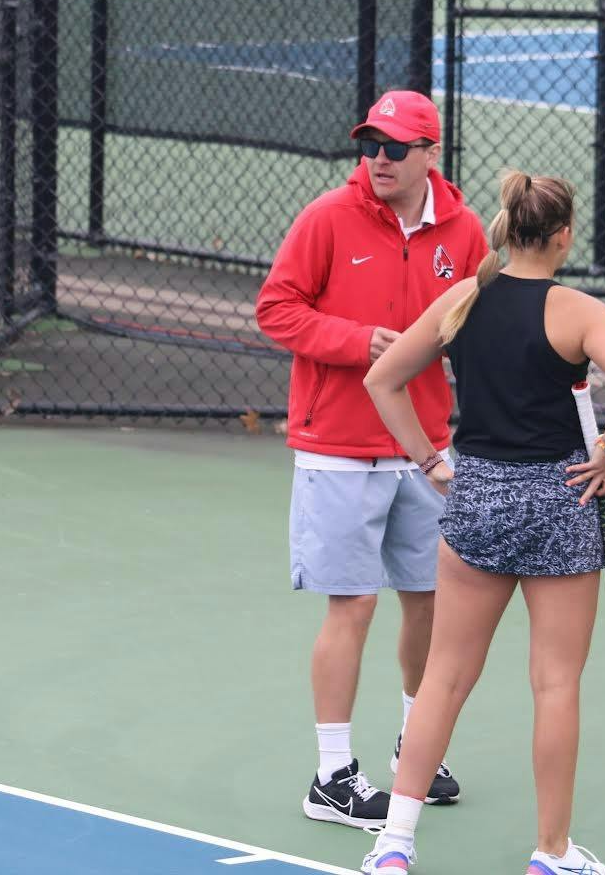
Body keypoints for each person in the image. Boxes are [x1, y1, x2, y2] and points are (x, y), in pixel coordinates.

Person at [357, 171, 605, 875]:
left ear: (507, 228)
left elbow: (382, 380)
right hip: (562, 499)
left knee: (443, 679)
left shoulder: (462, 298)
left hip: (477, 498)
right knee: (555, 684)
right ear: (563, 236)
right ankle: (552, 854)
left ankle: (394, 846)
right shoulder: (580, 311)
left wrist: (432, 463)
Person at [255, 90, 488, 830]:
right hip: (338, 450)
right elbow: (276, 308)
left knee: (429, 601)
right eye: (370, 146)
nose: (378, 160)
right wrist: (357, 342)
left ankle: (416, 747)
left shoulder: (465, 232)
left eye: (394, 147)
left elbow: (479, 331)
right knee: (351, 605)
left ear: (429, 154)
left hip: (428, 451)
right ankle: (331, 778)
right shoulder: (328, 217)